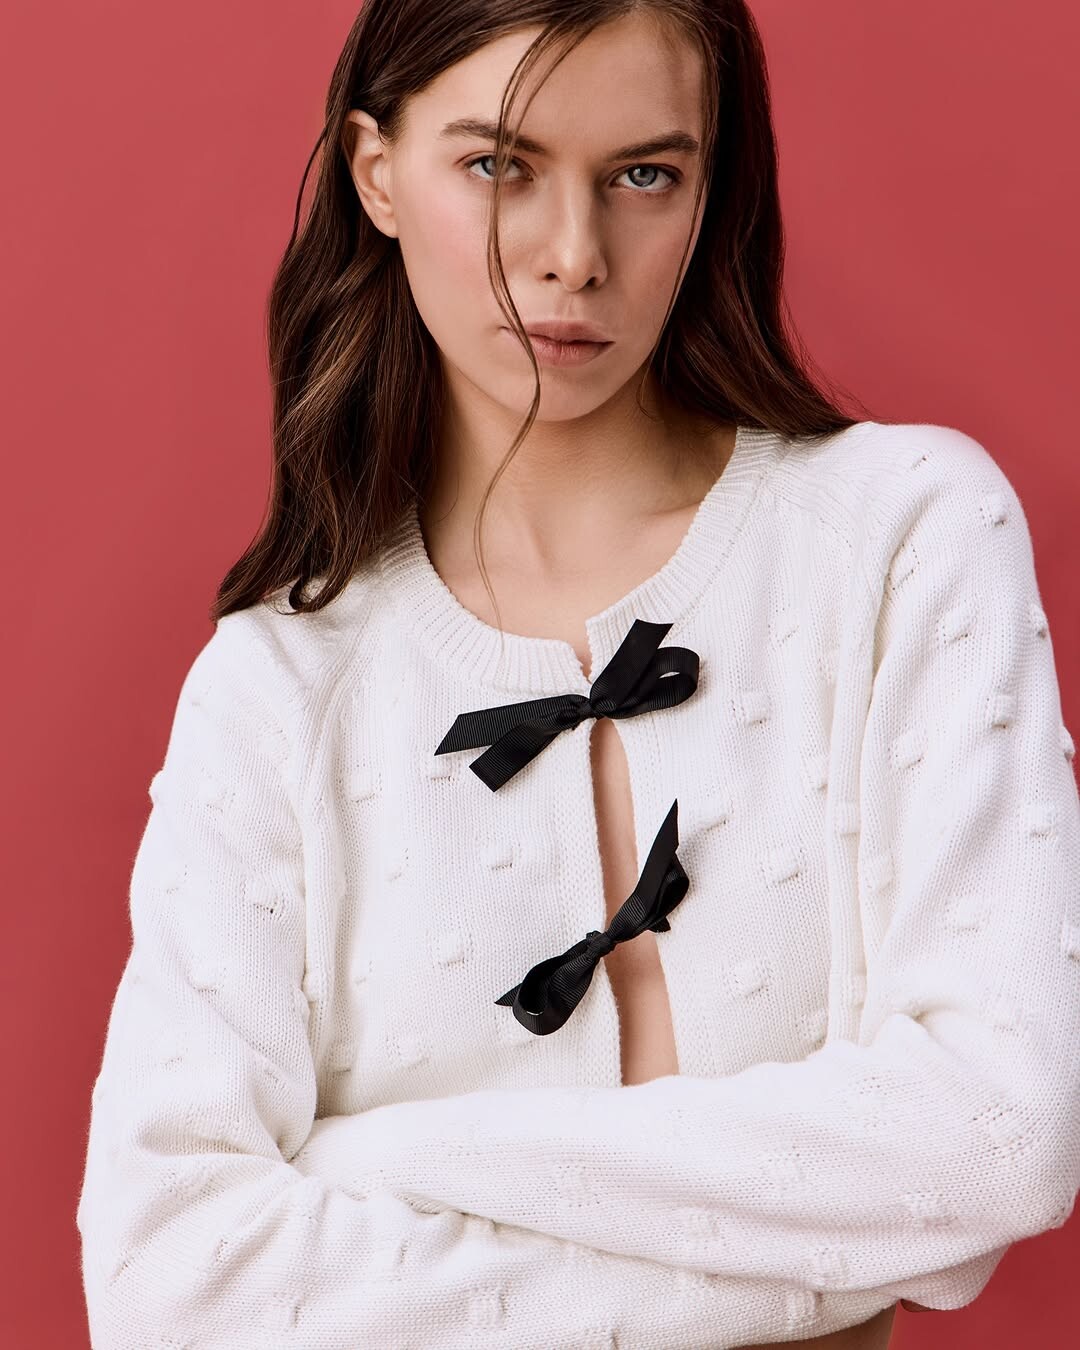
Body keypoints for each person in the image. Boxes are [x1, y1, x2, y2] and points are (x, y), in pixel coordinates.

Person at [75, 2, 1080, 1347]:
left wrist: (389, 1163)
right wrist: (833, 1254)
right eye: (499, 165)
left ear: (712, 191)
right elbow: (169, 1281)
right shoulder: (278, 689)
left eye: (644, 175)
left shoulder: (904, 537)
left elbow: (1001, 1136)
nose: (574, 256)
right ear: (377, 173)